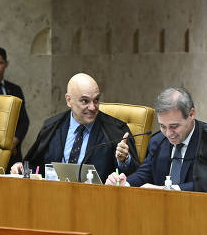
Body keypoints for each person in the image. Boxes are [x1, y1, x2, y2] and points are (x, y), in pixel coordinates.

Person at [106, 87, 207, 195]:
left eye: (174, 126)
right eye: (163, 126)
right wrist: (127, 183)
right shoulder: (158, 141)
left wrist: (170, 190)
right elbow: (145, 173)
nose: (169, 134)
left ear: (191, 114)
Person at [10, 73, 139, 181]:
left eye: (96, 100)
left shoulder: (116, 130)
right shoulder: (52, 127)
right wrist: (21, 168)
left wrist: (124, 160)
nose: (93, 107)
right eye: (85, 101)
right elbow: (36, 166)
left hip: (99, 201)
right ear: (68, 100)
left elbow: (135, 175)